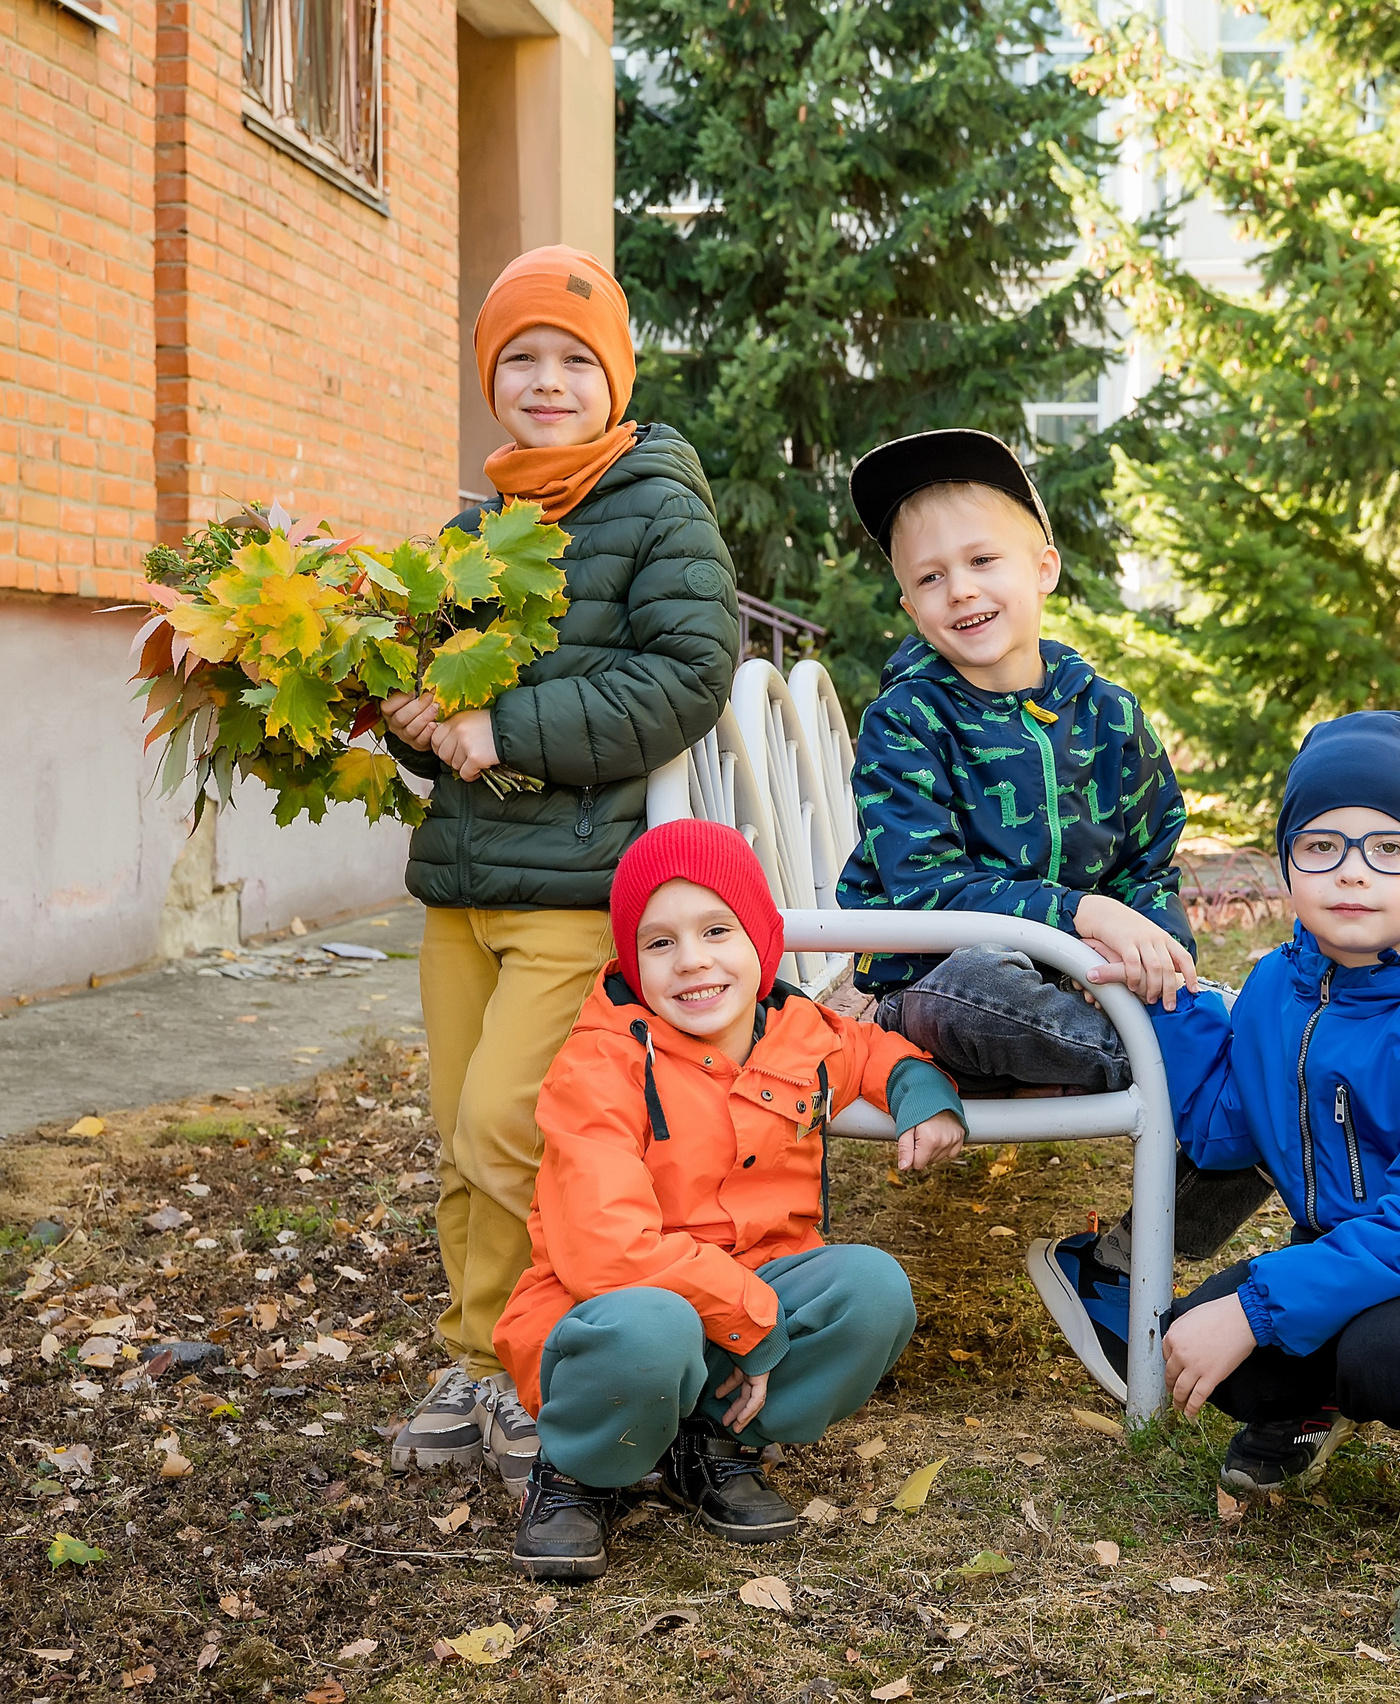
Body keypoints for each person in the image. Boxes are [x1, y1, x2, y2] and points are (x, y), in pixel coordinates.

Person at [1063, 711, 1400, 1556]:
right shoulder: (1281, 989)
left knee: (1396, 1352)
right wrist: (1163, 999)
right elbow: (1219, 1131)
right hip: (1359, 1248)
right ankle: (1313, 1405)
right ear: (1288, 866)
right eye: (1320, 846)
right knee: (1203, 1336)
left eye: (1388, 848)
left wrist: (1259, 1306)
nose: (1352, 871)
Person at [377, 246, 739, 1482]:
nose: (546, 381)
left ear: (615, 378)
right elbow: (445, 714)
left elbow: (687, 675)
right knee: (457, 1137)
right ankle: (479, 1360)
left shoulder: (657, 505)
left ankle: (559, 1362)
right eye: (520, 358)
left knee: (512, 1125)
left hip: (579, 887)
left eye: (574, 360)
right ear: (490, 378)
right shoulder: (469, 533)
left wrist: (505, 728)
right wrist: (413, 719)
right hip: (464, 887)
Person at [836, 430, 1274, 1403]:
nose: (961, 591)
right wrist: (1078, 914)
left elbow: (1150, 864)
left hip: (1084, 1004)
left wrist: (1155, 945)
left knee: (1270, 1060)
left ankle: (1111, 1265)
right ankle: (1173, 1065)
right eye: (930, 578)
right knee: (1005, 986)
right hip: (941, 1003)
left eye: (982, 561)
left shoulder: (1108, 717)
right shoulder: (908, 721)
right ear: (909, 605)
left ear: (1042, 569)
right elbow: (921, 889)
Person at [492, 820, 968, 1579]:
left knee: (872, 1290)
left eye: (717, 929)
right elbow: (607, 1251)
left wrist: (921, 1091)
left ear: (762, 938)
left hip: (755, 1292)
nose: (692, 960)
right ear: (632, 961)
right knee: (652, 1329)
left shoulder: (799, 1031)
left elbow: (872, 1050)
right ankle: (578, 1468)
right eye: (660, 942)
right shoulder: (598, 1064)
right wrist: (751, 1318)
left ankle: (712, 1441)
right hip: (616, 1309)